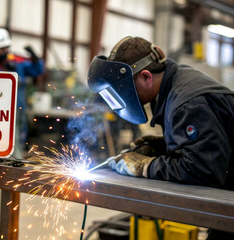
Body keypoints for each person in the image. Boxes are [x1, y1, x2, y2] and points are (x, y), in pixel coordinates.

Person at [87, 36, 234, 240]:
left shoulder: (188, 102)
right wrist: (163, 146)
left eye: (123, 90)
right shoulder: (175, 85)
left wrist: (146, 166)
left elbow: (205, 171)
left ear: (146, 77)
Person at [0, 28, 44, 158]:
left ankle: (16, 162)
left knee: (19, 140)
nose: (4, 51)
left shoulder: (17, 64)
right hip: (0, 113)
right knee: (3, 144)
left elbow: (37, 70)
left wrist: (35, 58)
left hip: (19, 110)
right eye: (1, 48)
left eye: (6, 48)